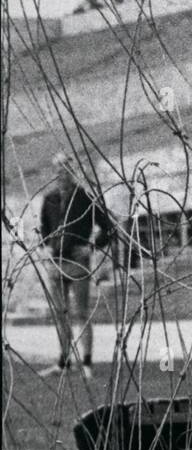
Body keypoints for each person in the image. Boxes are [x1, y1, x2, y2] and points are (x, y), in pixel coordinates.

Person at [38, 153, 113, 379]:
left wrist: (90, 246)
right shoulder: (49, 198)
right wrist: (45, 246)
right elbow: (44, 228)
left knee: (81, 312)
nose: (61, 172)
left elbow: (108, 228)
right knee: (60, 314)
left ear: (72, 171)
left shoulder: (85, 197)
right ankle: (64, 361)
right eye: (57, 168)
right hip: (56, 263)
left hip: (78, 263)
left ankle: (87, 361)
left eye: (65, 167)